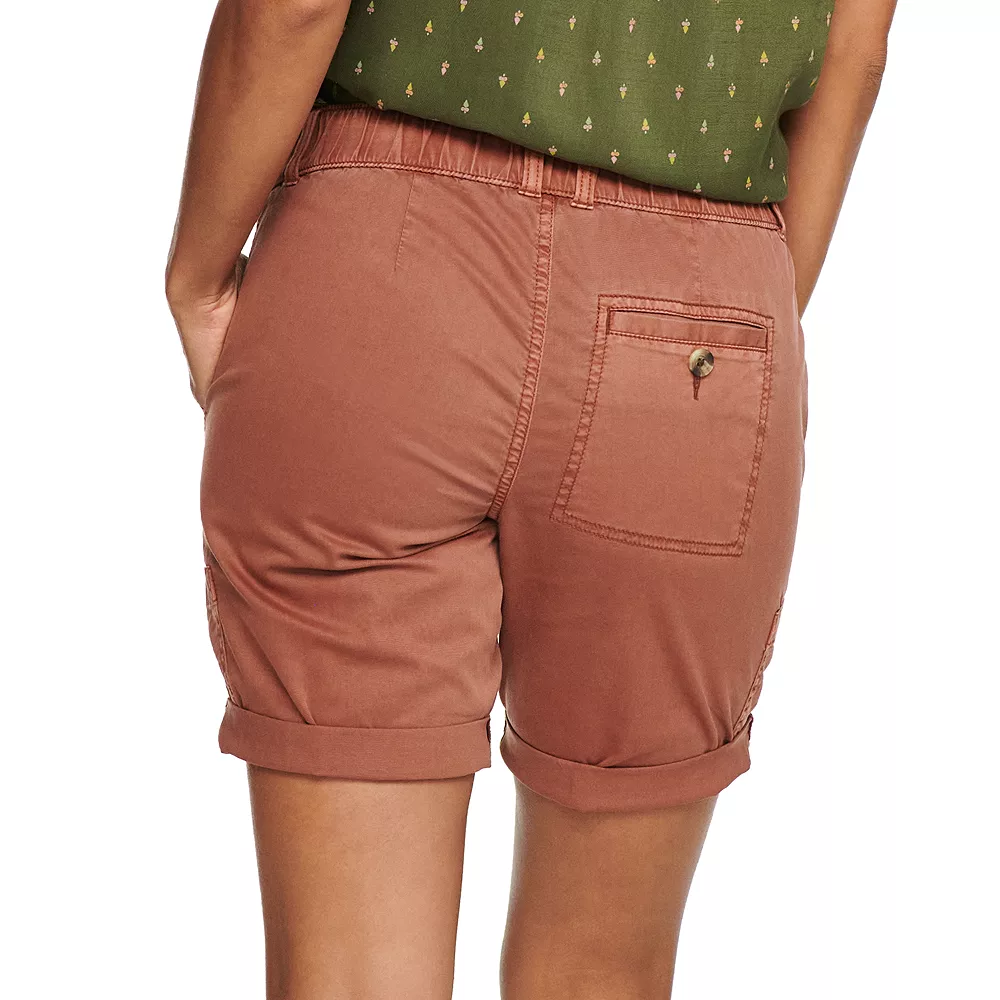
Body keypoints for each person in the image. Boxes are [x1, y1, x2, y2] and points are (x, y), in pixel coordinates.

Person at [166, 2, 896, 997]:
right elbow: (855, 48)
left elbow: (293, 8)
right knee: (601, 974)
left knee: (351, 976)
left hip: (379, 257)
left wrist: (198, 276)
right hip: (699, 302)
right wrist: (734, 318)